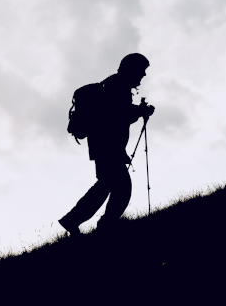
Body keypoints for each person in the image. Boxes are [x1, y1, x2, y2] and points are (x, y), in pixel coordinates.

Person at [58, 53, 155, 236]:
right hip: (107, 147)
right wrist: (139, 111)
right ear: (131, 69)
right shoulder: (118, 86)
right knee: (121, 187)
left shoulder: (114, 84)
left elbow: (117, 114)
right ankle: (104, 225)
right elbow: (117, 115)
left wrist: (137, 111)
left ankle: (74, 221)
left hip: (103, 146)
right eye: (141, 71)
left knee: (106, 185)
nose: (143, 75)